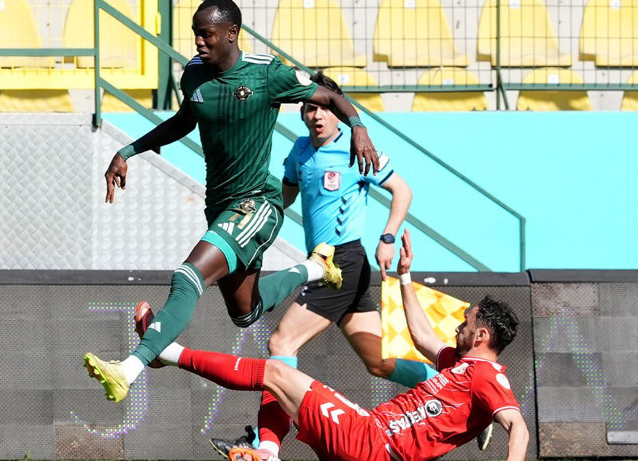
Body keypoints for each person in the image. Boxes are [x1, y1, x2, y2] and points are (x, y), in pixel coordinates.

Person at [83, 0, 381, 403]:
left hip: (258, 203)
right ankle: (313, 269)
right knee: (246, 312)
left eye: (207, 33)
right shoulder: (194, 74)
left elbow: (329, 97)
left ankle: (129, 369)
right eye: (195, 33)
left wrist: (358, 127)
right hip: (219, 206)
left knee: (188, 277)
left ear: (231, 33)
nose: (199, 41)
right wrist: (129, 151)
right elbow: (185, 121)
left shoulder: (266, 73)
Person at [206, 70, 445, 460]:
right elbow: (282, 200)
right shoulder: (299, 152)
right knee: (379, 364)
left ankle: (265, 447)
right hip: (327, 265)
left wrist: (387, 236)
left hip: (343, 261)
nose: (315, 115)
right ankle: (449, 386)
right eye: (308, 108)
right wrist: (247, 223)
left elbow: (402, 190)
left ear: (337, 112)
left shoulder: (356, 148)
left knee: (281, 344)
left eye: (322, 108)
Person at [133, 229, 529, 461]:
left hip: (373, 442)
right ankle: (267, 452)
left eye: (466, 323)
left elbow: (519, 430)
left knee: (278, 370)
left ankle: (166, 353)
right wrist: (406, 278)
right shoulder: (457, 366)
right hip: (370, 438)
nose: (459, 326)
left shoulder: (487, 377)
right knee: (281, 376)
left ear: (481, 337)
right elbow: (423, 337)